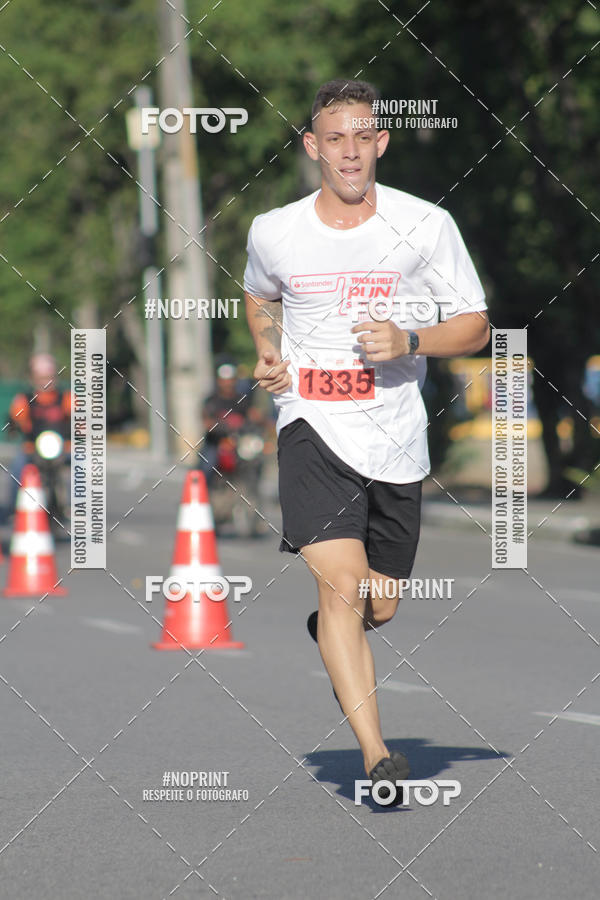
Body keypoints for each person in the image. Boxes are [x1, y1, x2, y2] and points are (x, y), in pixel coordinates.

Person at [243, 79, 489, 803]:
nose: (349, 150)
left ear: (380, 143)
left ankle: (338, 625)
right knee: (343, 588)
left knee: (377, 604)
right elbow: (260, 296)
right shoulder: (275, 230)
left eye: (363, 137)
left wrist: (410, 337)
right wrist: (267, 346)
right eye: (334, 138)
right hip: (311, 426)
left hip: (396, 439)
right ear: (312, 146)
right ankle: (376, 752)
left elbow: (474, 323)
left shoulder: (426, 225)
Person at [6, 353, 71, 514]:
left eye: (49, 377)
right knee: (17, 468)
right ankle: (17, 509)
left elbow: (80, 419)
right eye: (41, 377)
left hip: (64, 448)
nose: (46, 381)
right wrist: (13, 428)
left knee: (84, 466)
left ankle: (79, 506)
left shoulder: (66, 398)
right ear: (33, 378)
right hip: (33, 448)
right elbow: (14, 418)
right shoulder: (24, 399)